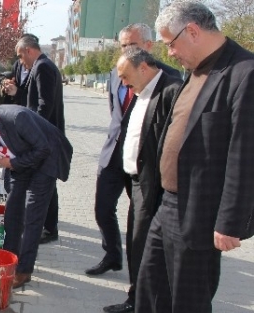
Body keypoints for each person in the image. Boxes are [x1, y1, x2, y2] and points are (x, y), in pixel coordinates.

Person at [136, 2, 254, 312]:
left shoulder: (244, 73)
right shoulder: (195, 70)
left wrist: (230, 222)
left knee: (188, 303)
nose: (170, 54)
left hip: (199, 214)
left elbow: (244, 153)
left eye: (170, 45)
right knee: (149, 290)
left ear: (192, 31)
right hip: (168, 205)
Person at [85, 23, 180, 280]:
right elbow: (116, 113)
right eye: (123, 45)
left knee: (140, 221)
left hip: (145, 161)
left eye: (132, 45)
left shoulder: (168, 79)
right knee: (103, 208)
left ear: (149, 46)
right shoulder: (117, 73)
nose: (126, 50)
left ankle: (142, 279)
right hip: (114, 151)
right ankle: (112, 255)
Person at [0, 101, 73, 288]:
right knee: (13, 211)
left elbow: (43, 148)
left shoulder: (17, 118)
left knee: (32, 214)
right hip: (20, 160)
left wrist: (13, 164)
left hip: (46, 159)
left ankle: (24, 271)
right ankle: (8, 260)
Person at [101, 48, 182, 313]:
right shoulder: (141, 91)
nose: (123, 83)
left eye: (126, 76)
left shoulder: (170, 91)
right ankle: (136, 299)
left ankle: (143, 302)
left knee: (146, 247)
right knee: (136, 243)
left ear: (144, 68)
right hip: (135, 180)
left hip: (154, 186)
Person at [3, 34, 65, 244]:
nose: (21, 61)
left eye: (21, 56)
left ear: (29, 51)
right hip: (45, 135)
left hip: (45, 137)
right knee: (46, 181)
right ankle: (47, 226)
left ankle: (49, 228)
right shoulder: (42, 66)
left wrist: (33, 133)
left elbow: (44, 106)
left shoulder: (43, 67)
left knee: (47, 183)